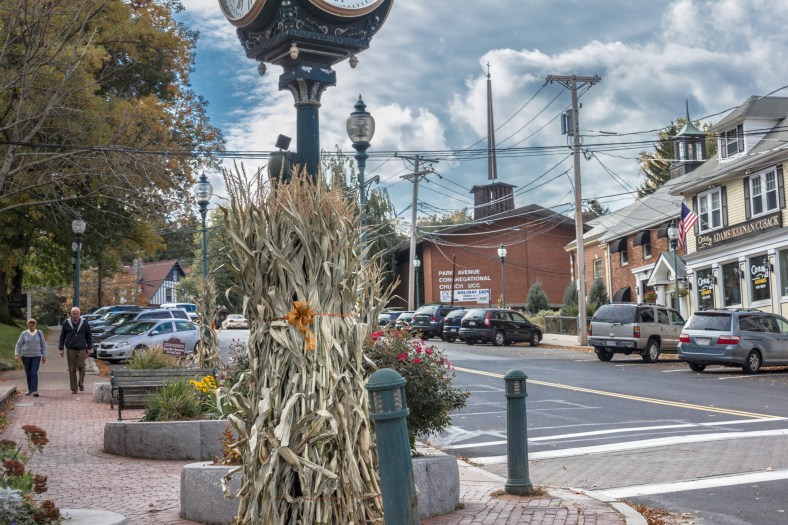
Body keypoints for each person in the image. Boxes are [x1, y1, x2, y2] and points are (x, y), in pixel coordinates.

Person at [58, 307, 93, 394]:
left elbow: (89, 335)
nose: (75, 316)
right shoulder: (66, 323)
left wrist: (89, 348)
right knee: (72, 369)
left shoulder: (84, 322)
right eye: (74, 314)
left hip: (81, 348)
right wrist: (61, 348)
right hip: (70, 349)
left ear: (79, 314)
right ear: (71, 314)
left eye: (77, 314)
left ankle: (80, 383)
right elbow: (62, 337)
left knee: (82, 366)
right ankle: (74, 388)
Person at [15, 319, 47, 397]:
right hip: (25, 356)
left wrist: (44, 355)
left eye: (32, 326)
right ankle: (30, 390)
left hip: (36, 355)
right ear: (27, 325)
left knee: (34, 372)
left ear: (35, 325)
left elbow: (43, 344)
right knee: (28, 373)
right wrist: (16, 354)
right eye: (29, 326)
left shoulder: (39, 333)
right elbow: (18, 345)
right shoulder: (24, 333)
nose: (31, 327)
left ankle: (35, 390)